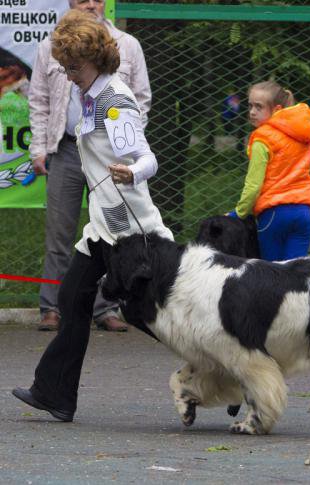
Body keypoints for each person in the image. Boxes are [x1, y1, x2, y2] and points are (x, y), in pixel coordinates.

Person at [12, 10, 173, 422]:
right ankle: (55, 394)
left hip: (132, 231)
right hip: (104, 226)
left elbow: (147, 159)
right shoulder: (91, 94)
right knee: (71, 298)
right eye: (64, 66)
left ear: (97, 61)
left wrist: (131, 171)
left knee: (154, 314)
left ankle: (230, 372)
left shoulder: (114, 102)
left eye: (74, 67)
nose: (67, 74)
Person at [29, 0, 152, 332]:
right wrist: (39, 147)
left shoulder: (128, 45)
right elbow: (38, 98)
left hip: (110, 158)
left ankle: (107, 306)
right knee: (60, 231)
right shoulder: (50, 46)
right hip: (67, 149)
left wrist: (122, 137)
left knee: (114, 228)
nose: (90, 4)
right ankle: (51, 307)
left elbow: (140, 98)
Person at [228, 81, 310, 261]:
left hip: (275, 214)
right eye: (250, 105)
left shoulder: (262, 138)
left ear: (277, 109)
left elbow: (253, 186)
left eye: (259, 107)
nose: (252, 111)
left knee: (273, 274)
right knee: (296, 276)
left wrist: (238, 214)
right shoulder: (298, 133)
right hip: (304, 214)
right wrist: (308, 175)